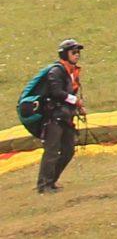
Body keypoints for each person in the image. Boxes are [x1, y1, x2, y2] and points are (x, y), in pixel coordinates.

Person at [21, 40, 81, 194]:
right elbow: (56, 93)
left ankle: (51, 181)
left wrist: (77, 107)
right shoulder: (56, 71)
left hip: (65, 117)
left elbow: (67, 95)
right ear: (64, 54)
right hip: (52, 118)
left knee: (68, 150)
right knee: (52, 151)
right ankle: (44, 186)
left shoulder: (71, 72)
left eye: (77, 52)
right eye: (73, 52)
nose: (77, 55)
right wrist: (76, 101)